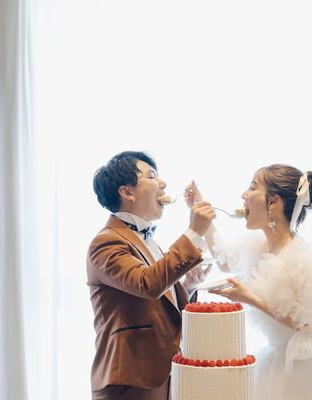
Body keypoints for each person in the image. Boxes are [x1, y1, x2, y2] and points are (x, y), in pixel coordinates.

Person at [188, 164, 312, 400]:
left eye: (252, 188)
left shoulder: (301, 258)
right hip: (277, 364)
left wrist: (249, 298)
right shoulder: (257, 245)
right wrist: (199, 208)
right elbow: (224, 259)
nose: (243, 195)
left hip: (311, 372)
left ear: (273, 202)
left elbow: (311, 327)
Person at [87, 151, 216, 400]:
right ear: (127, 192)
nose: (163, 183)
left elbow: (157, 299)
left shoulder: (146, 239)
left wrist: (189, 285)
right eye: (152, 176)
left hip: (161, 375)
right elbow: (147, 283)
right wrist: (193, 232)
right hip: (128, 380)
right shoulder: (105, 242)